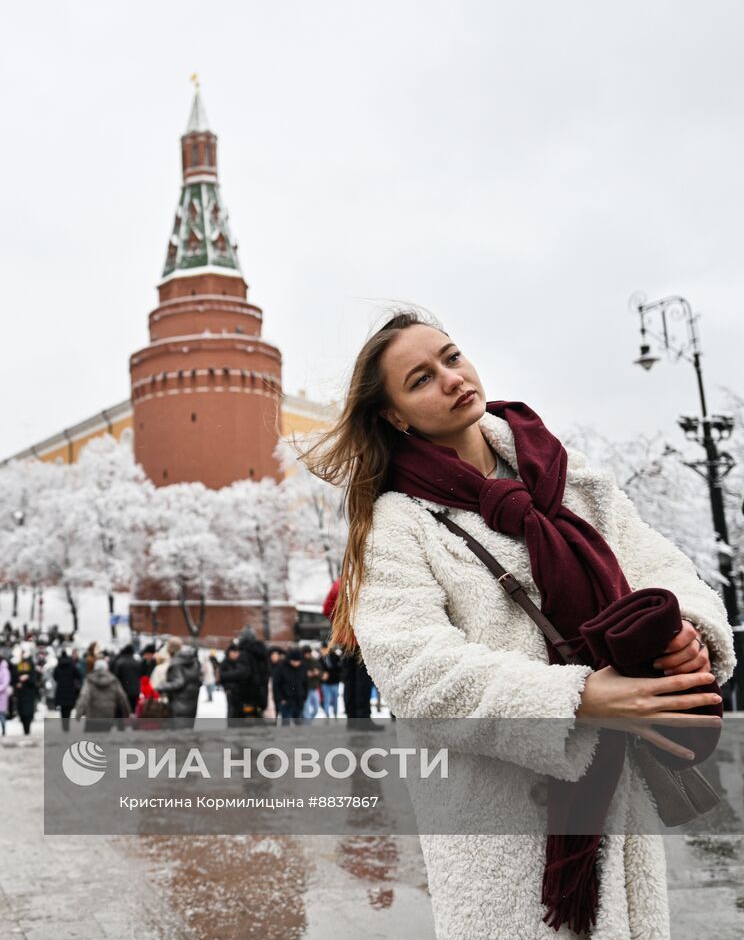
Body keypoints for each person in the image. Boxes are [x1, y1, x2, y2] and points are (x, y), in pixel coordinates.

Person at [302, 310, 734, 937]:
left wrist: (687, 633)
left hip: (616, 787)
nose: (452, 379)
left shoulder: (564, 470)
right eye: (421, 379)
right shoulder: (398, 523)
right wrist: (578, 699)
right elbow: (416, 672)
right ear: (394, 416)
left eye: (451, 357)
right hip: (500, 821)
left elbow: (657, 562)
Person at [75, 659, 133, 732]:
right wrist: (127, 713)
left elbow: (84, 696)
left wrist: (78, 714)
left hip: (92, 716)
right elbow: (122, 697)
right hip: (108, 715)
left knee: (90, 739)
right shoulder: (113, 679)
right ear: (107, 668)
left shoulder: (89, 679)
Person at [154, 644, 203, 722]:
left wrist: (160, 687)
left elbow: (179, 682)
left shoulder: (176, 664)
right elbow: (200, 681)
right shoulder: (194, 662)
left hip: (178, 705)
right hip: (192, 705)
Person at [273, 647, 309, 725]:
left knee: (299, 723)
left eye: (298, 661)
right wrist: (281, 699)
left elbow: (306, 683)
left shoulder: (303, 667)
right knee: (286, 722)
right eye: (294, 661)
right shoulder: (281, 668)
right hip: (286, 700)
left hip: (299, 700)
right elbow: (276, 685)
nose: (296, 663)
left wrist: (304, 697)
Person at [51, 650, 84, 731]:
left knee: (62, 710)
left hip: (61, 690)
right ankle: (67, 726)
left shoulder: (58, 666)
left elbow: (55, 677)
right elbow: (78, 675)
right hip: (70, 690)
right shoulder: (72, 665)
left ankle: (64, 726)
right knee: (68, 709)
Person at [217, 643, 251, 719]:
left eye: (236, 652)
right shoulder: (225, 663)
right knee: (231, 710)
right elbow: (221, 677)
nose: (235, 654)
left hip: (241, 691)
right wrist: (227, 688)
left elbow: (243, 675)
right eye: (233, 652)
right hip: (230, 691)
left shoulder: (240, 662)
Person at [109, 644, 145, 715]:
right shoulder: (137, 663)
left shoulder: (120, 662)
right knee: (133, 711)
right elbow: (141, 676)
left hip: (123, 691)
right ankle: (133, 725)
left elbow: (116, 678)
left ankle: (122, 725)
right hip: (135, 692)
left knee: (122, 711)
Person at [14, 654, 42, 735]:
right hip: (21, 695)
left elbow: (35, 682)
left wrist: (28, 677)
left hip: (29, 695)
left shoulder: (31, 670)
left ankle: (27, 730)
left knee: (28, 714)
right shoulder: (18, 667)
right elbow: (14, 678)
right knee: (22, 714)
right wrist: (17, 684)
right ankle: (26, 730)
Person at [319, 643, 341, 718]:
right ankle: (327, 714)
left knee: (335, 700)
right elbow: (318, 670)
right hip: (325, 683)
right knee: (327, 699)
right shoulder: (320, 659)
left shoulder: (335, 656)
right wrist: (322, 674)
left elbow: (339, 668)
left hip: (334, 682)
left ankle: (335, 714)